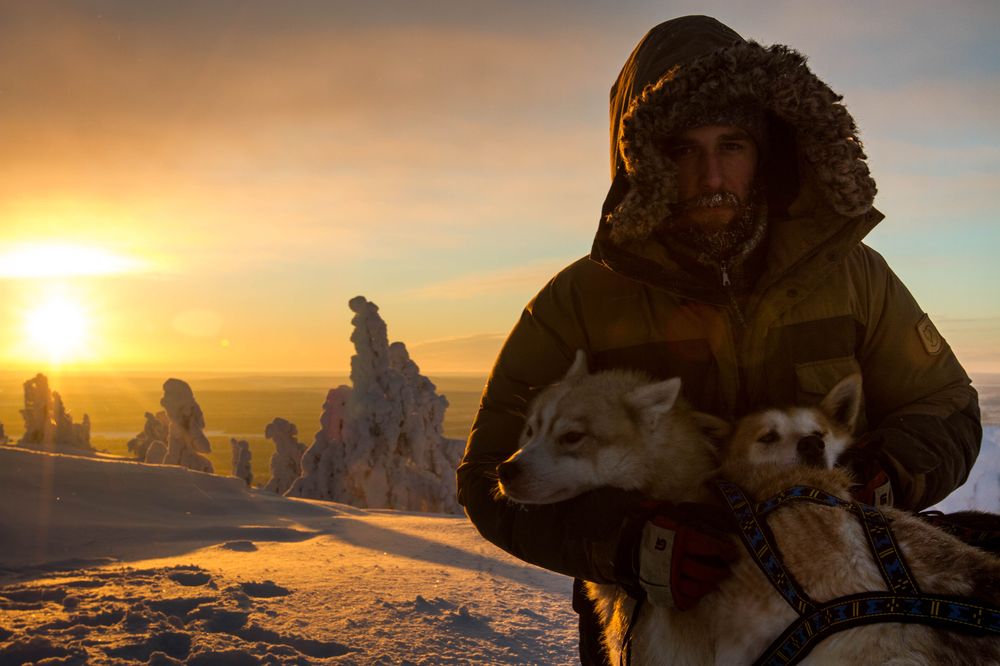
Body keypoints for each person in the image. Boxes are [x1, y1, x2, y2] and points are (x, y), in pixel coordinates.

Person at [456, 15, 981, 665]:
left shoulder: (853, 277)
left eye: (731, 144)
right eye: (682, 149)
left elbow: (946, 409)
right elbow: (490, 477)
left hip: (848, 627)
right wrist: (629, 545)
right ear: (641, 159)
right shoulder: (578, 304)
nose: (710, 176)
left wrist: (877, 478)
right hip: (654, 637)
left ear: (766, 152)